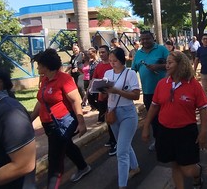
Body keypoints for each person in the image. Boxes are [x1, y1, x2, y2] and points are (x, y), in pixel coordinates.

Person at [142, 51, 207, 189]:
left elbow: (203, 108)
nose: (166, 65)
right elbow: (154, 107)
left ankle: (197, 172)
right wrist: (146, 126)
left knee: (188, 169)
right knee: (175, 163)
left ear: (180, 65)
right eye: (166, 62)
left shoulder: (193, 85)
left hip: (186, 132)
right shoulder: (162, 84)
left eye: (170, 62)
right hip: (165, 131)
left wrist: (203, 131)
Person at [30, 49, 91, 188]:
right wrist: (31, 118)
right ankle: (83, 167)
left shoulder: (64, 79)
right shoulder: (45, 80)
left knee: (55, 159)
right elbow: (41, 101)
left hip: (62, 123)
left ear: (46, 65)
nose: (37, 67)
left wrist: (81, 123)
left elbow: (76, 100)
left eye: (39, 64)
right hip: (49, 125)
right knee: (67, 146)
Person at [103, 48, 141, 189]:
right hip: (112, 113)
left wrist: (117, 91)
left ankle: (122, 185)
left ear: (122, 60)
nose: (112, 64)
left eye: (115, 61)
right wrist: (100, 90)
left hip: (128, 114)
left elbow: (136, 95)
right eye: (110, 61)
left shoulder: (130, 73)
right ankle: (135, 167)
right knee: (124, 144)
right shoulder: (108, 73)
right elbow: (104, 95)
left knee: (121, 152)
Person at [131, 31, 169, 151]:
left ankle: (169, 139)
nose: (145, 41)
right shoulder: (138, 53)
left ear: (153, 38)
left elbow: (173, 64)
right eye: (142, 39)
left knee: (166, 116)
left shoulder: (162, 49)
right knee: (153, 118)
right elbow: (133, 71)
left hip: (164, 91)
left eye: (147, 38)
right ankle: (158, 140)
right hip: (148, 92)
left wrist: (157, 66)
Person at [92, 45, 117, 156]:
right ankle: (112, 138)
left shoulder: (113, 66)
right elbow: (94, 79)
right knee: (107, 119)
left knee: (113, 118)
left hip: (112, 97)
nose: (101, 54)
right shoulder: (98, 66)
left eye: (103, 52)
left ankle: (115, 142)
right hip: (101, 97)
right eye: (100, 52)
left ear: (108, 52)